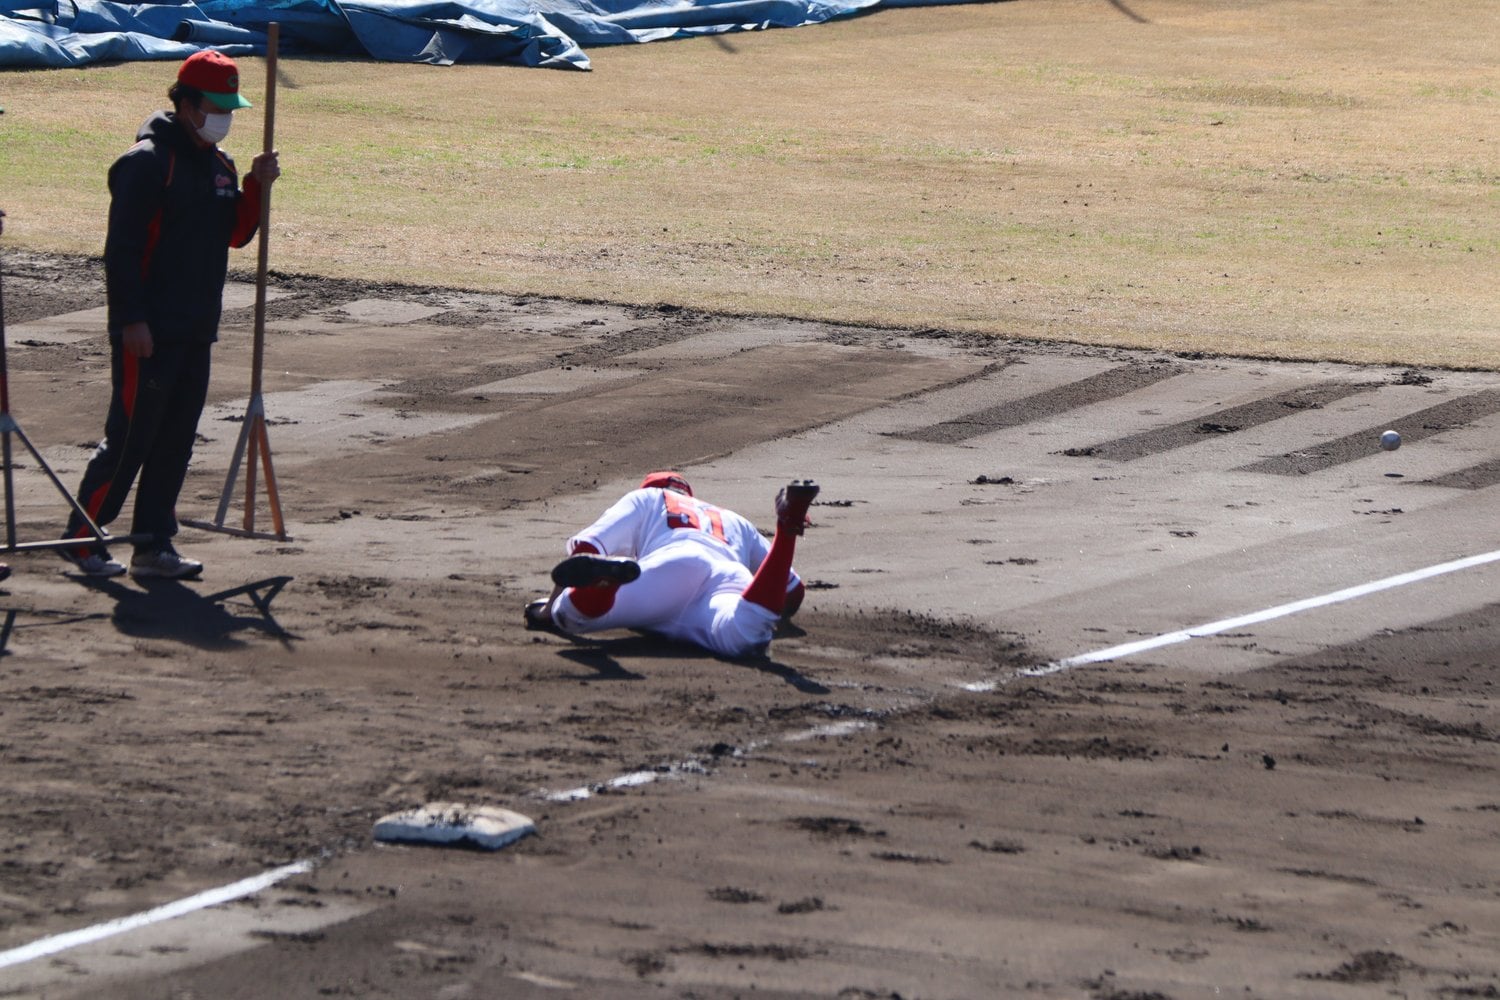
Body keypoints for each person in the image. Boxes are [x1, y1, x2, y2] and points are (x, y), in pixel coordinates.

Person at [59, 50, 280, 579]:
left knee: (176, 440)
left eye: (230, 109)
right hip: (149, 329)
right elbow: (122, 250)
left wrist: (256, 186)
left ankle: (152, 544)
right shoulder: (146, 163)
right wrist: (131, 320)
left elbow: (234, 234)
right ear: (187, 104)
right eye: (216, 107)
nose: (224, 118)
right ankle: (83, 537)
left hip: (196, 326)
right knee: (132, 437)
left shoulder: (220, 165)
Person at [525, 472, 820, 659]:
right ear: (690, 495)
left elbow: (586, 549)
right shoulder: (735, 520)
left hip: (672, 566)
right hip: (728, 574)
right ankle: (786, 531)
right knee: (745, 635)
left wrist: (548, 611)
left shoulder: (649, 497)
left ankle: (604, 584)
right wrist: (771, 615)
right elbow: (793, 592)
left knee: (569, 615)